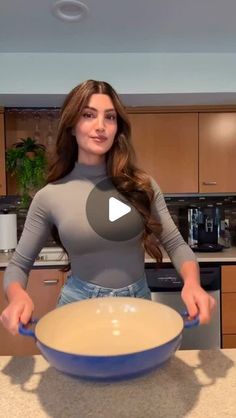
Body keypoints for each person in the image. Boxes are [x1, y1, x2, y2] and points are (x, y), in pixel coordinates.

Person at [0, 79, 216, 335]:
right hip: (78, 305)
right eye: (88, 115)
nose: (100, 126)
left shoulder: (141, 185)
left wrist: (192, 283)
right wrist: (17, 296)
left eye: (110, 117)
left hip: (136, 303)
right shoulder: (50, 196)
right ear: (71, 126)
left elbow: (176, 244)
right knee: (78, 376)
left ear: (117, 128)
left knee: (140, 375)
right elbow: (18, 266)